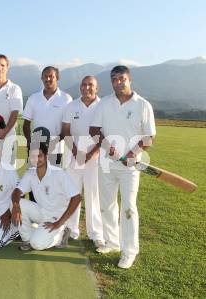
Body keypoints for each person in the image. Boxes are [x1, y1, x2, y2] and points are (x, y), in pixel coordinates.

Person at [89, 65, 156, 269]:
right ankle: (112, 242)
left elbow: (149, 136)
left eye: (122, 79)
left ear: (130, 80)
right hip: (107, 165)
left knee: (128, 208)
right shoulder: (104, 104)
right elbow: (94, 130)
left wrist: (131, 154)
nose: (118, 82)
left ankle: (129, 251)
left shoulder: (143, 105)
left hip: (131, 167)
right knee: (107, 205)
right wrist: (109, 149)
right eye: (114, 79)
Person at [11, 144, 81, 251]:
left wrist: (59, 223)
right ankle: (27, 239)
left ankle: (61, 234)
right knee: (16, 203)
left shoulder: (59, 173)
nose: (36, 159)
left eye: (40, 156)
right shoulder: (30, 173)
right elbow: (17, 191)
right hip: (41, 211)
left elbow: (77, 198)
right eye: (33, 156)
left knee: (37, 244)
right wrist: (15, 207)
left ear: (46, 156)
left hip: (57, 217)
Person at [61, 76, 104, 247]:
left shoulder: (102, 106)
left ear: (97, 88)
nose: (87, 88)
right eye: (84, 85)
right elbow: (65, 130)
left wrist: (92, 153)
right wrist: (75, 151)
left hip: (96, 158)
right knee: (73, 193)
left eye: (91, 85)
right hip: (75, 155)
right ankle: (72, 229)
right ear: (80, 87)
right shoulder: (72, 105)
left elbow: (105, 132)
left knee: (93, 195)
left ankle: (96, 234)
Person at [22, 66, 72, 166]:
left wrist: (53, 143)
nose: (48, 79)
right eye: (45, 76)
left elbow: (67, 128)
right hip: (36, 149)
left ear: (57, 78)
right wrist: (30, 142)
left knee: (52, 181)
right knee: (34, 179)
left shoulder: (66, 99)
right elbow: (26, 124)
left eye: (51, 76)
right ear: (41, 78)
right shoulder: (33, 98)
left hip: (56, 150)